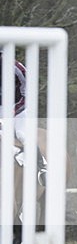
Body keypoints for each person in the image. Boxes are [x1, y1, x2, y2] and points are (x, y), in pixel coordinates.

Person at [0, 53, 46, 185]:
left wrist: (14, 110)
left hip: (19, 107)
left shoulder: (15, 67)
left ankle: (42, 168)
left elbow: (28, 90)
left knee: (22, 134)